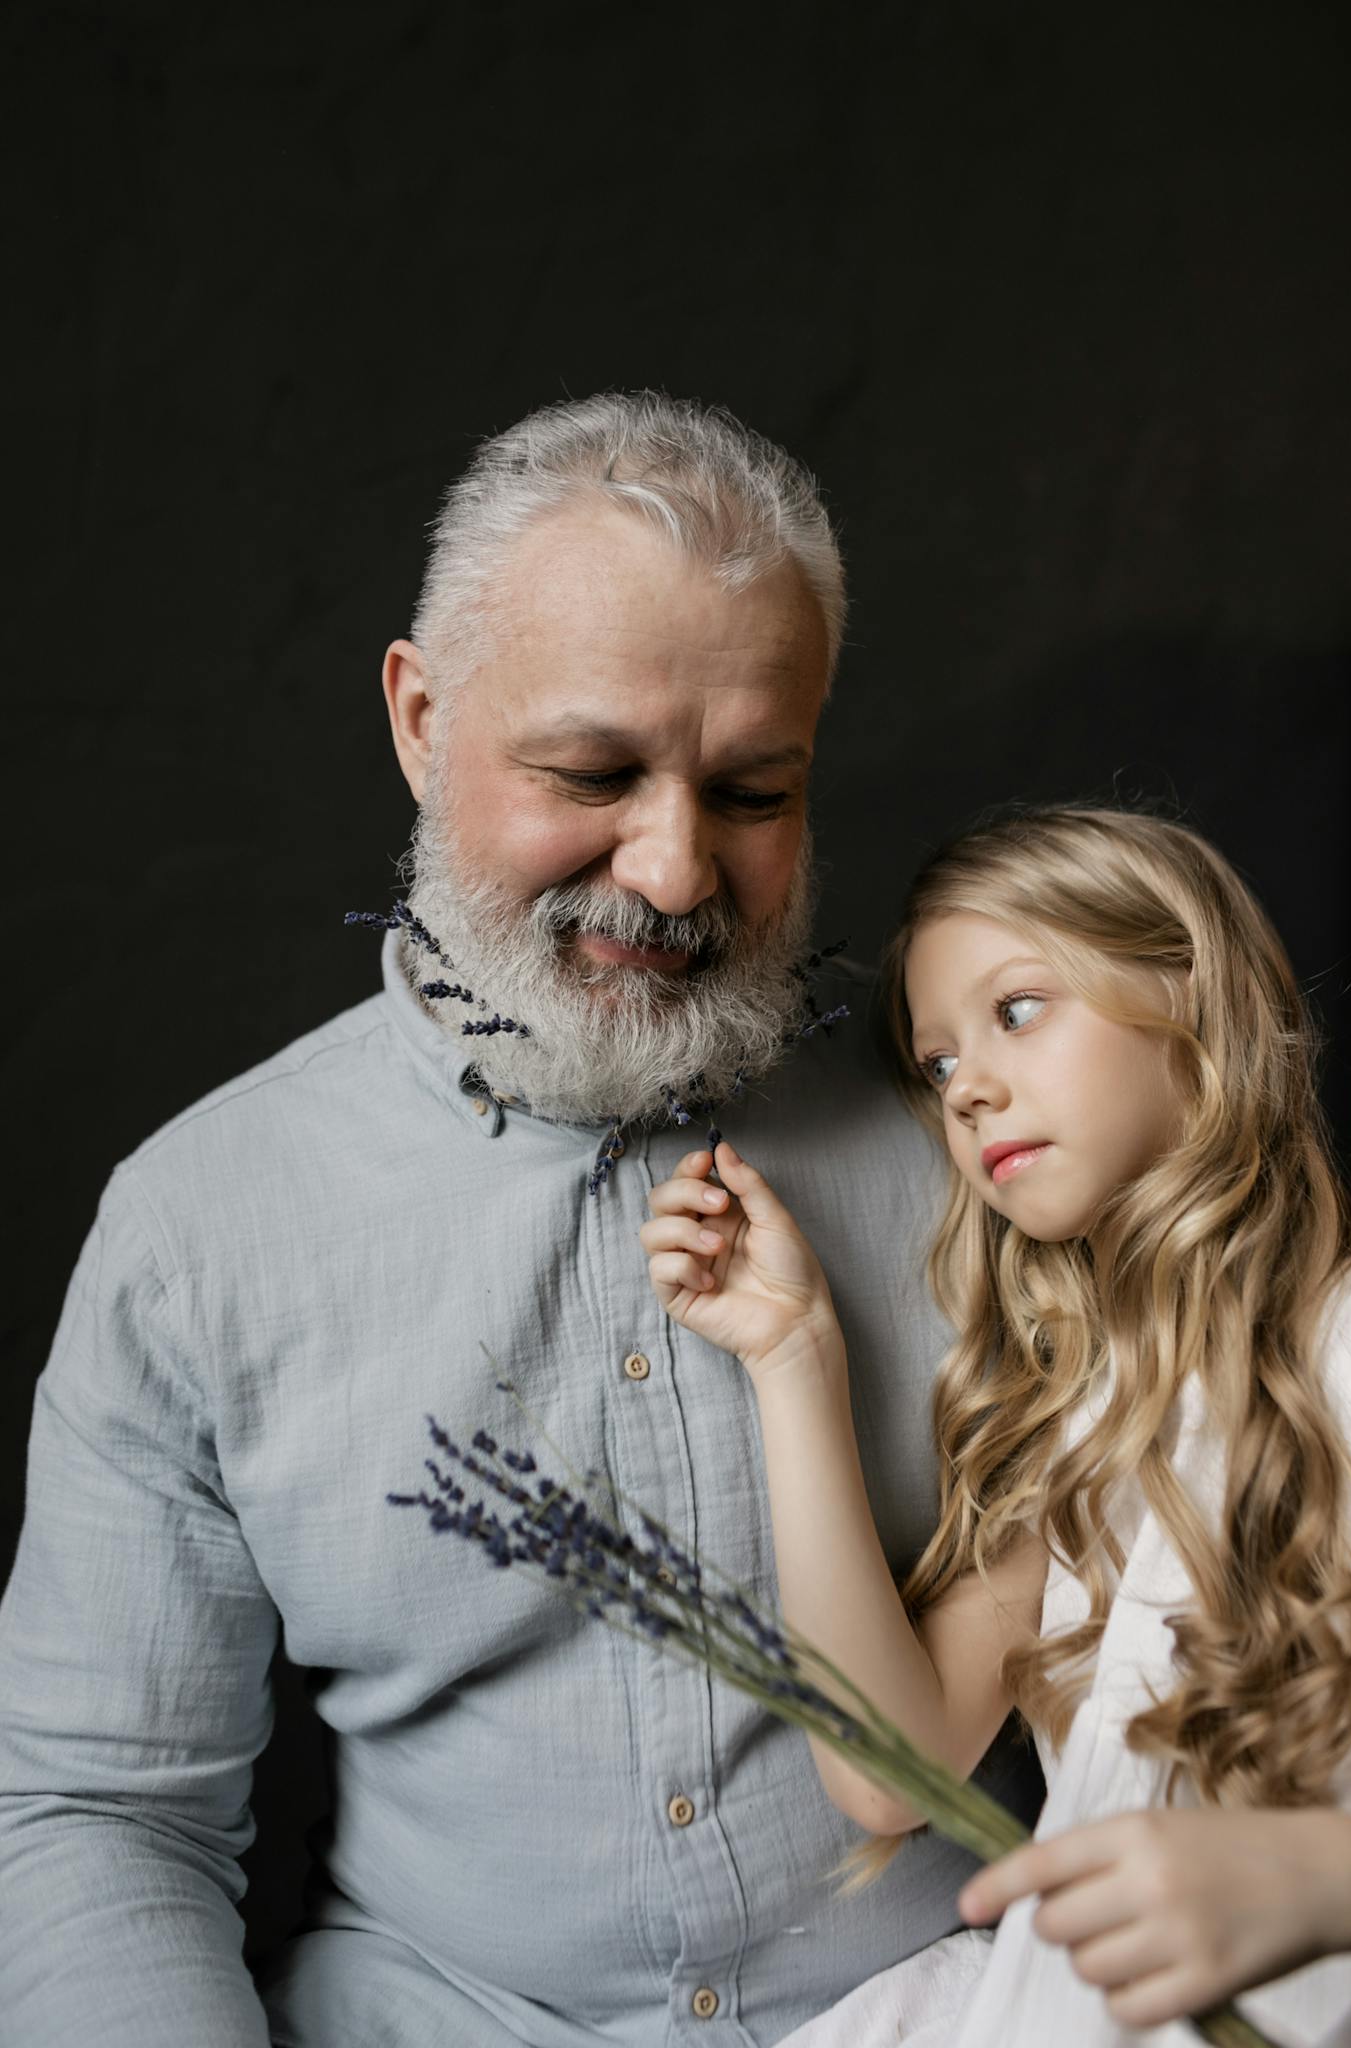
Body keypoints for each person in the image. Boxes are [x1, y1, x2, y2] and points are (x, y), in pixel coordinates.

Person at [0, 392, 1041, 2048]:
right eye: (593, 770)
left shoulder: (999, 1134)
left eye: (756, 790)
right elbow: (103, 1817)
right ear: (420, 719)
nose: (680, 867)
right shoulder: (199, 1227)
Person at [641, 806, 1351, 2047]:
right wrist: (794, 1358)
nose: (966, 1086)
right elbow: (885, 1768)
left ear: (1191, 989)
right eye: (934, 1063)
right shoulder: (1088, 1420)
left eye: (1017, 1008)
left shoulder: (1348, 1347)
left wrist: (1324, 1876)